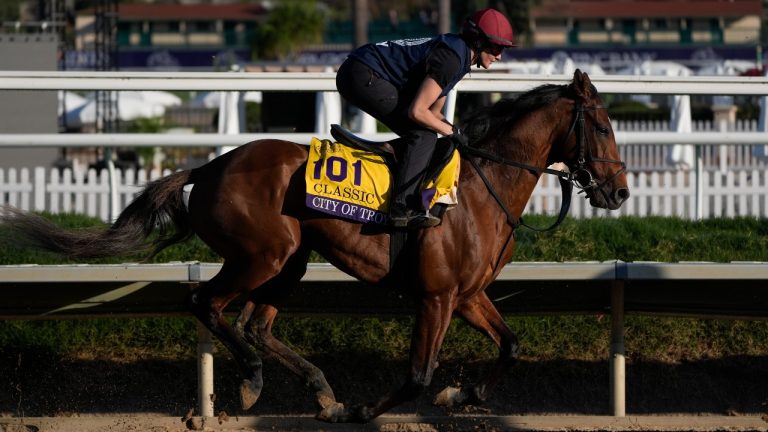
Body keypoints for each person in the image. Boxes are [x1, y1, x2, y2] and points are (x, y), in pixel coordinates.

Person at [336, 8, 516, 228]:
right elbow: (418, 112)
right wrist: (450, 132)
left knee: (428, 132)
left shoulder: (459, 56)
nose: (499, 56)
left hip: (363, 69)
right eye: (497, 47)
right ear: (478, 41)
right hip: (361, 72)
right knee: (423, 135)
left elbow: (434, 112)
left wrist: (457, 131)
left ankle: (396, 158)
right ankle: (401, 208)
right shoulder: (452, 59)